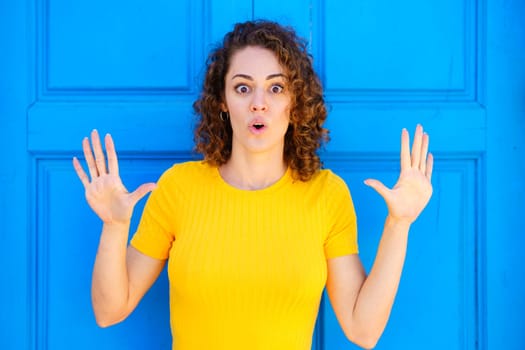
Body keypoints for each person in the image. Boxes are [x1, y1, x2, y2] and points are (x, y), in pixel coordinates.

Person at [72, 20, 433, 350]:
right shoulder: (178, 188)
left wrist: (399, 224)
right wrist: (115, 226)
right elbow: (110, 311)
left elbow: (362, 329)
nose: (259, 104)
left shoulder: (326, 194)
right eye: (243, 88)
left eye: (276, 88)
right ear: (224, 103)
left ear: (295, 103)